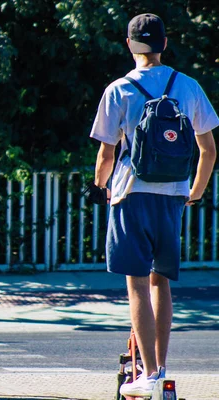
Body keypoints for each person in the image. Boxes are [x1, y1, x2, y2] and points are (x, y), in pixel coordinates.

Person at [89, 14, 218, 397]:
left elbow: (106, 154)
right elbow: (208, 150)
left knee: (137, 285)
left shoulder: (119, 90)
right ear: (164, 44)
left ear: (129, 45)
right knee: (162, 282)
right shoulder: (189, 86)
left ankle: (146, 374)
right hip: (174, 195)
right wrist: (194, 191)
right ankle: (160, 368)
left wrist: (101, 186)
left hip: (131, 193)